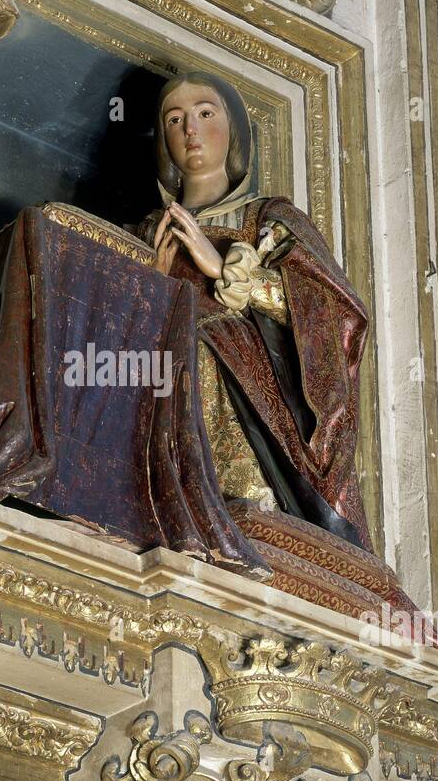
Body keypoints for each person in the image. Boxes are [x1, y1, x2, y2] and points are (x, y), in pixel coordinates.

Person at [140, 71, 372, 552]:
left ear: (235, 131)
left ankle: (245, 506)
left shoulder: (268, 219)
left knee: (201, 347)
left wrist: (224, 269)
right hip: (157, 364)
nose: (191, 130)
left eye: (206, 113)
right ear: (163, 141)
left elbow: (333, 318)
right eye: (175, 119)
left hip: (244, 374)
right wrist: (153, 283)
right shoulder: (147, 232)